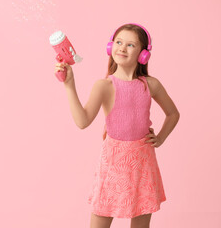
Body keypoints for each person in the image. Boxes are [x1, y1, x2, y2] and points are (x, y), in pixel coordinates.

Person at [54, 23, 180, 228]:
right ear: (110, 47)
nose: (122, 48)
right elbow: (82, 121)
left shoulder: (151, 85)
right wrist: (69, 85)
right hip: (113, 164)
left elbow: (173, 114)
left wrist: (161, 138)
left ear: (143, 54)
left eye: (131, 45)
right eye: (119, 42)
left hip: (143, 163)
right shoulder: (104, 86)